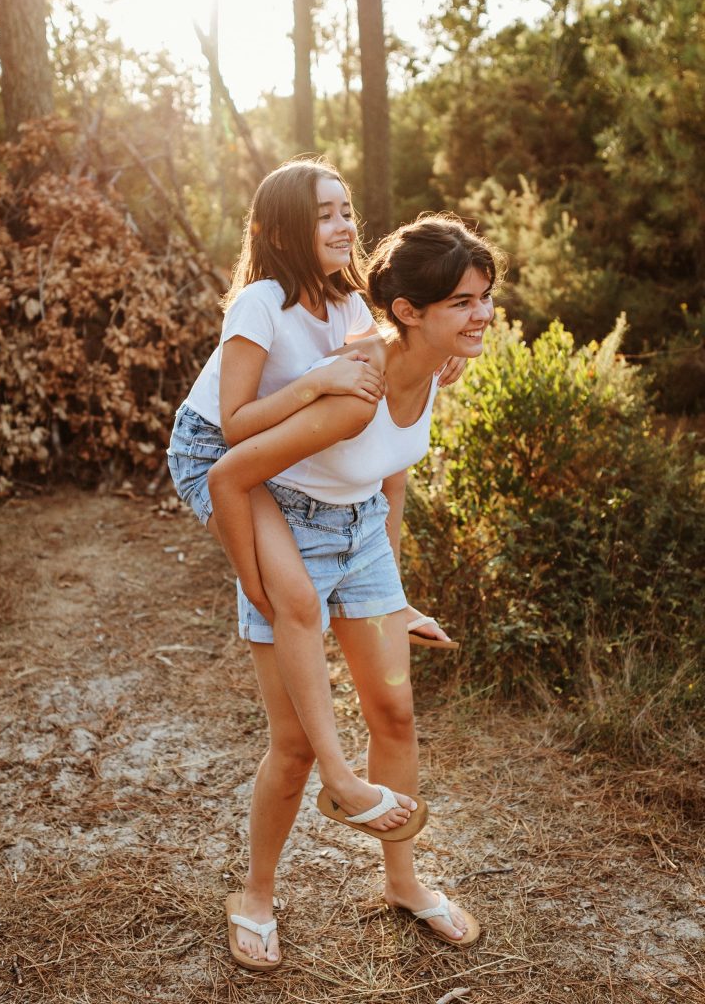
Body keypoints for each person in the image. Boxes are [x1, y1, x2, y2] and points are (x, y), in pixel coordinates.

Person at [207, 213, 502, 968]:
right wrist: (256, 584)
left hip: (363, 535)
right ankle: (256, 895)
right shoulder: (356, 385)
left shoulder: (433, 362)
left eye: (485, 297)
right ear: (408, 311)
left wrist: (394, 591)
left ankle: (403, 883)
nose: (482, 315)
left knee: (395, 715)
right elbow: (231, 474)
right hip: (293, 534)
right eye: (463, 302)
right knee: (296, 746)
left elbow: (390, 475)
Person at [168, 158, 456, 851]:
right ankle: (338, 775)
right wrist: (316, 382)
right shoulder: (260, 302)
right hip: (212, 451)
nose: (343, 224)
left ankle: (352, 785)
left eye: (347, 211)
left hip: (277, 453)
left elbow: (386, 356)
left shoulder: (349, 303)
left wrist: (438, 352)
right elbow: (235, 423)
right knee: (293, 597)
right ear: (282, 231)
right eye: (324, 214)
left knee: (306, 588)